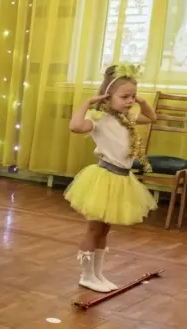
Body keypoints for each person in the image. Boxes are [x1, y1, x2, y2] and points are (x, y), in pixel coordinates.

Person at [65, 63, 157, 292]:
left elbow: (151, 117)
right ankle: (86, 275)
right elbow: (75, 126)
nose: (130, 101)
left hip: (121, 179)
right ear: (108, 96)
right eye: (124, 97)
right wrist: (87, 103)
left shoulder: (127, 118)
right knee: (94, 230)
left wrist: (142, 101)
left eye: (132, 96)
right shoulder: (99, 118)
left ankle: (98, 273)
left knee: (105, 230)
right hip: (104, 179)